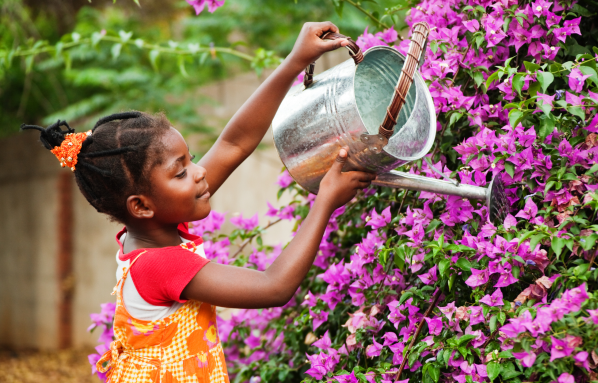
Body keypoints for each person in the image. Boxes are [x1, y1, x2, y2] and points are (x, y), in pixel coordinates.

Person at [21, 22, 376, 383]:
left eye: (190, 160)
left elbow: (233, 145)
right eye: (180, 172)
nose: (199, 172)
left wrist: (293, 62)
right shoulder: (161, 264)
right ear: (141, 205)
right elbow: (275, 287)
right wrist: (326, 201)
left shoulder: (154, 227)